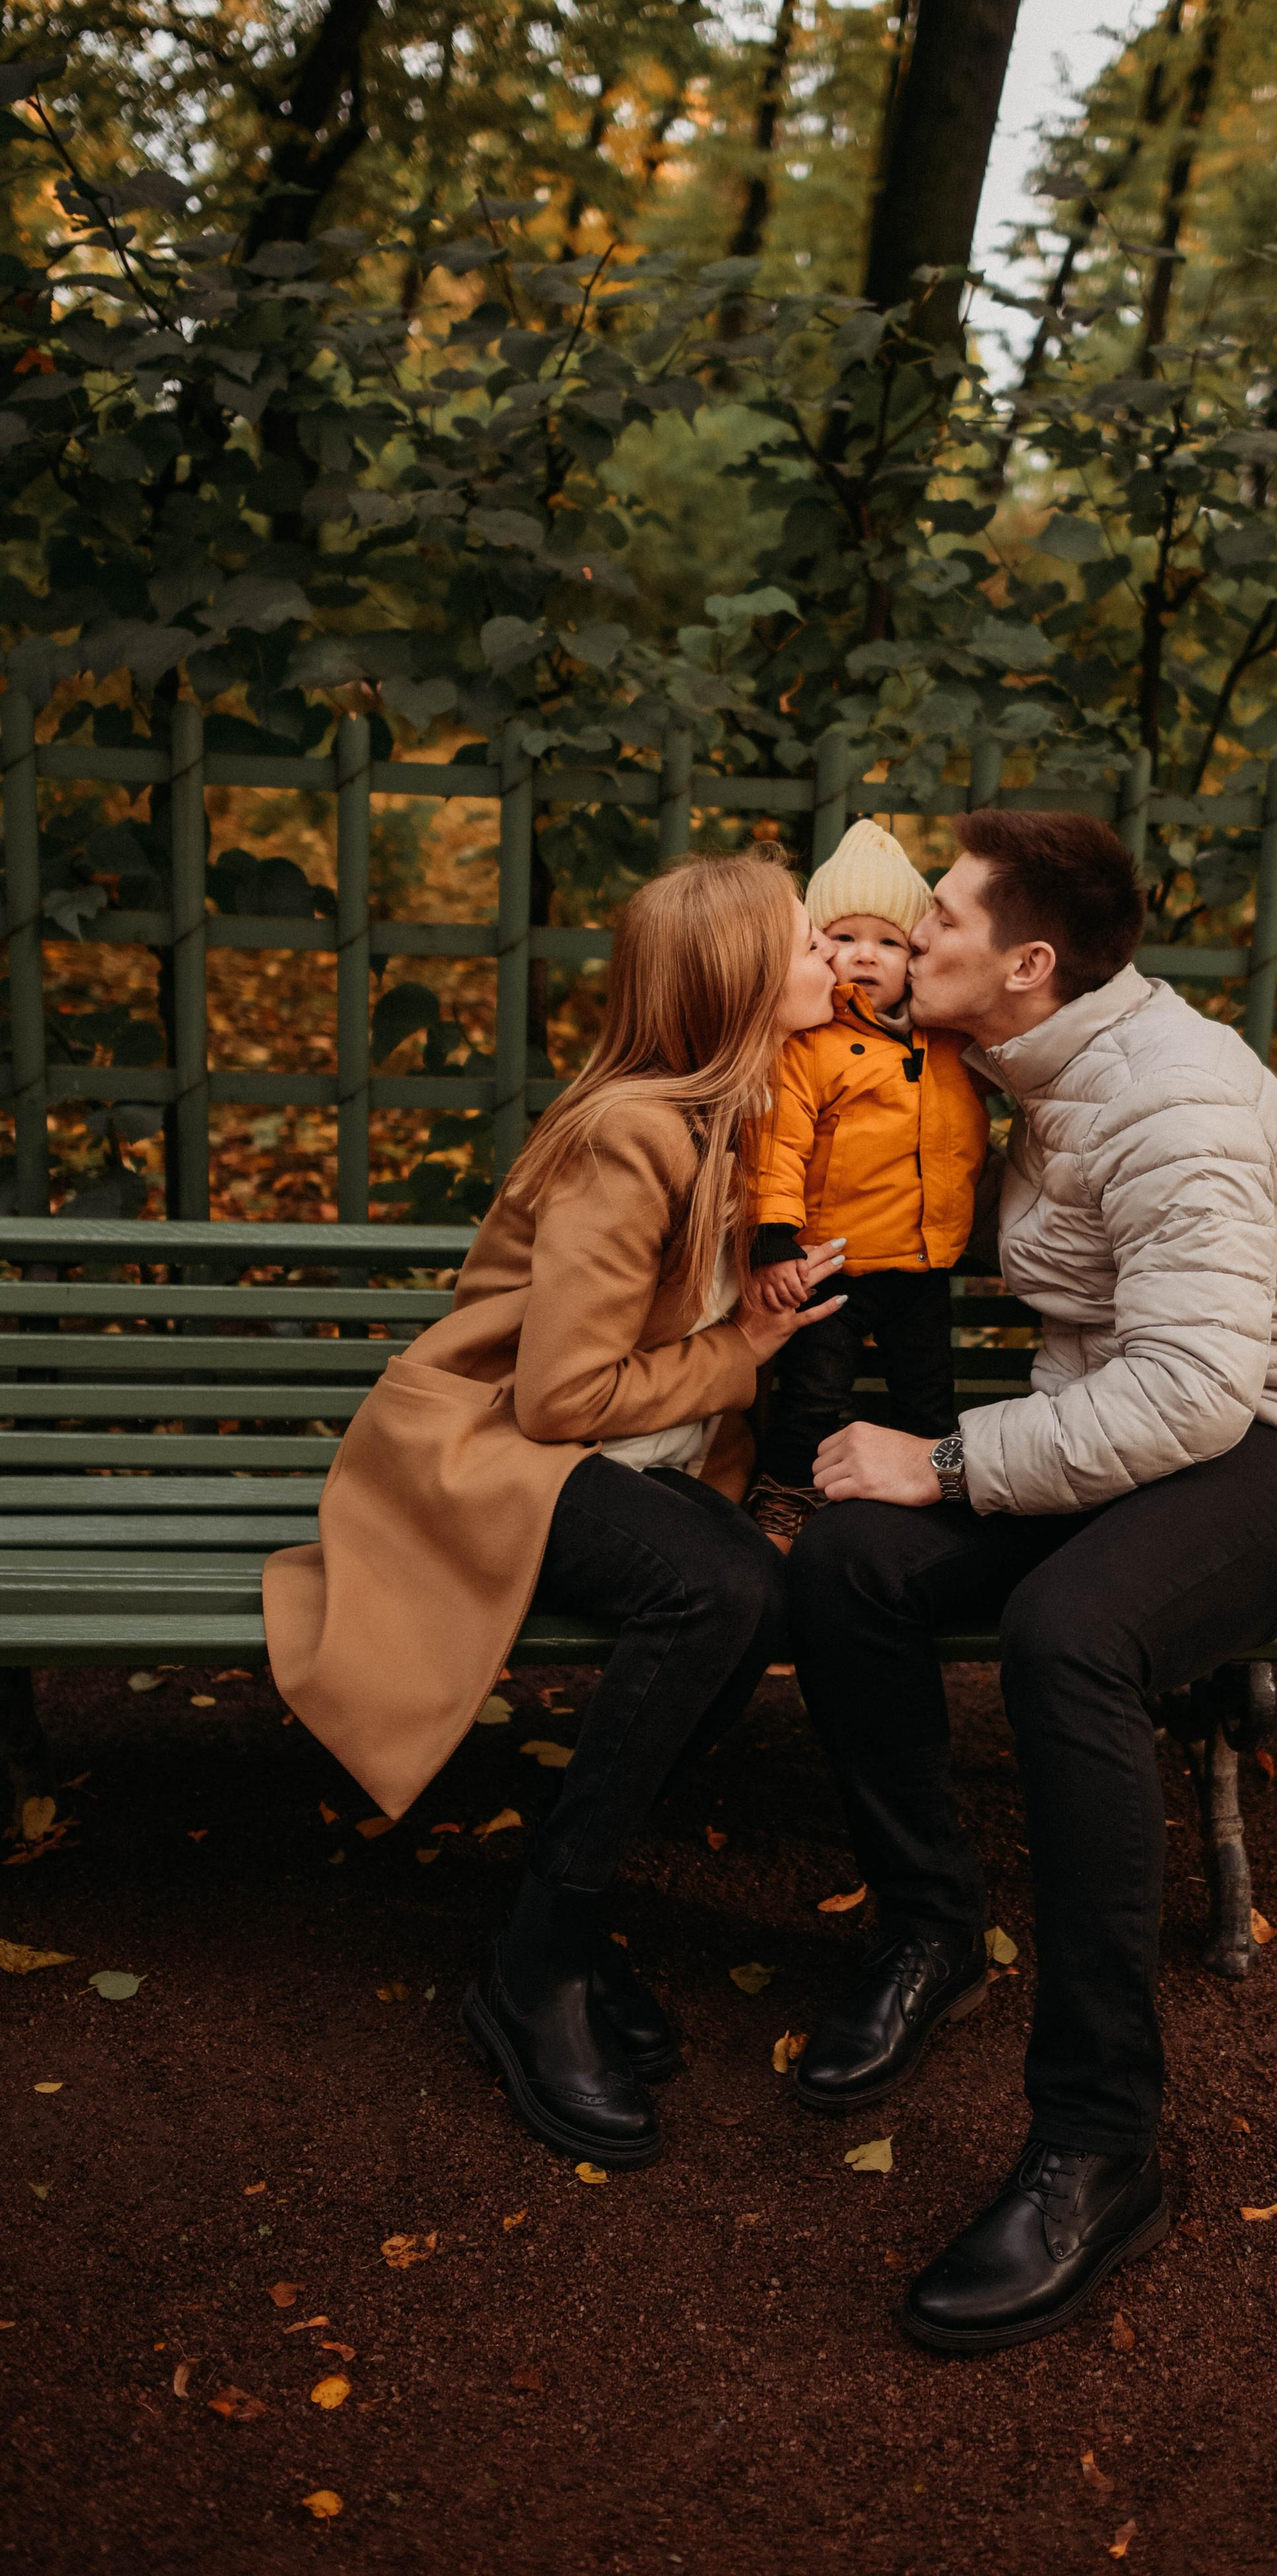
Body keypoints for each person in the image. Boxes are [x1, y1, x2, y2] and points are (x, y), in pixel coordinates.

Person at [785, 807, 1277, 2356]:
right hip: (1114, 1434)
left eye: (934, 925)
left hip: (1273, 1453)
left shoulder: (1171, 1100)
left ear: (1026, 963)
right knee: (846, 1554)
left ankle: (1097, 2145)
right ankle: (930, 1931)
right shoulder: (1016, 1057)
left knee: (1070, 1633)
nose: (903, 944)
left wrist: (937, 1461)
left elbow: (1193, 1394)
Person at [264, 851, 846, 2172]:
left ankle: (565, 1936)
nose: (835, 962)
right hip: (484, 1449)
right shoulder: (634, 1132)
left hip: (616, 1454)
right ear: (743, 979)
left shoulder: (734, 1118)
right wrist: (747, 1350)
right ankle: (539, 1960)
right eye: (810, 944)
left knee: (756, 1584)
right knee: (718, 1590)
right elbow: (562, 1392)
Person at [745, 818, 992, 1544]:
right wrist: (773, 1236)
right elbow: (778, 1143)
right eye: (844, 938)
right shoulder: (811, 1047)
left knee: (928, 1395)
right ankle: (784, 1499)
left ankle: (930, 1510)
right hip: (832, 1264)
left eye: (887, 941)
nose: (864, 955)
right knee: (812, 1396)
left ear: (914, 953)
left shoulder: (948, 1040)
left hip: (924, 1263)